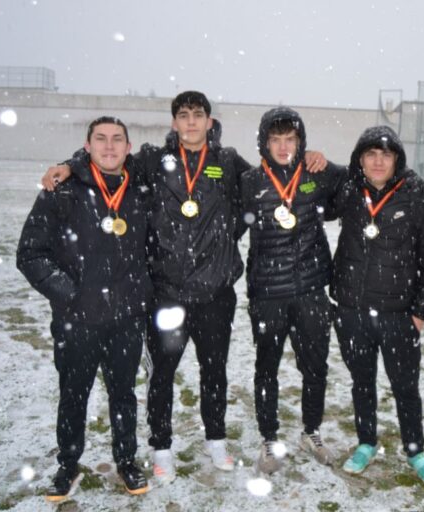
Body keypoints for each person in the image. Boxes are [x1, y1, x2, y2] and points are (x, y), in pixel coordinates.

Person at [40, 92, 327, 484]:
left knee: (214, 373)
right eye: (184, 115)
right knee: (162, 375)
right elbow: (108, 159)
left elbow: (269, 181)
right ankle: (161, 448)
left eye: (198, 115)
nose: (191, 122)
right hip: (168, 292)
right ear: (174, 122)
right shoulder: (154, 161)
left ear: (209, 122)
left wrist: (309, 159)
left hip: (215, 294)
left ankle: (216, 440)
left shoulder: (228, 163)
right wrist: (71, 164)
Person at [17, 117, 152, 501]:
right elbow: (30, 254)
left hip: (126, 318)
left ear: (128, 147)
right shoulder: (61, 190)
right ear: (87, 146)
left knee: (123, 395)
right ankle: (68, 465)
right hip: (77, 320)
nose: (109, 146)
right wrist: (70, 295)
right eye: (101, 139)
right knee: (73, 395)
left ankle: (126, 460)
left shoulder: (141, 188)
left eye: (117, 139)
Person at [329, 125, 424, 488]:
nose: (378, 161)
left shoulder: (417, 194)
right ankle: (366, 442)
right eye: (370, 154)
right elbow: (314, 201)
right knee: (362, 383)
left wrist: (421, 313)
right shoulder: (349, 189)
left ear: (397, 159)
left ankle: (416, 451)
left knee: (405, 387)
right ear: (360, 159)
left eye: (385, 154)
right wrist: (311, 159)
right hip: (353, 311)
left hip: (399, 314)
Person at [240, 107, 345, 474]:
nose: (283, 147)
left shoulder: (315, 174)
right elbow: (223, 224)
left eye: (291, 139)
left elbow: (354, 181)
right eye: (276, 140)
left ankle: (311, 432)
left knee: (315, 366)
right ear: (264, 143)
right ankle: (269, 439)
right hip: (268, 293)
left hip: (311, 290)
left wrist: (326, 162)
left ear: (301, 142)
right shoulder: (249, 181)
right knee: (266, 367)